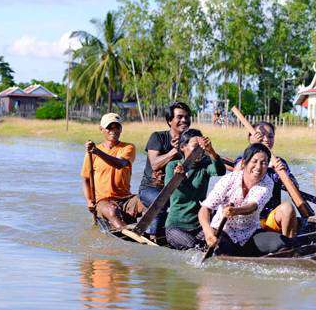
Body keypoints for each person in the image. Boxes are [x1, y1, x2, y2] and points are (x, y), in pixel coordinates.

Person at [198, 143, 289, 256]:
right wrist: (208, 233)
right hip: (223, 232)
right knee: (222, 250)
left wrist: (235, 211)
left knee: (283, 244)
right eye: (254, 161)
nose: (258, 167)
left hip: (250, 234)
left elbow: (253, 206)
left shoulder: (267, 182)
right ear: (244, 163)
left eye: (264, 163)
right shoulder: (229, 180)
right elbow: (205, 208)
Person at [163, 129, 227, 250]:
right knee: (194, 247)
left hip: (199, 225)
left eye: (201, 147)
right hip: (176, 226)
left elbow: (220, 171)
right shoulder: (173, 166)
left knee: (218, 240)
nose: (200, 151)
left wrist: (210, 150)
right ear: (183, 147)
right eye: (195, 147)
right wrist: (179, 177)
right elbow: (169, 190)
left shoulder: (205, 165)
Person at [235, 121, 300, 238]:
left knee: (288, 208)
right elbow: (234, 177)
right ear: (250, 137)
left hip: (270, 219)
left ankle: (288, 246)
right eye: (261, 135)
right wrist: (254, 146)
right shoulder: (244, 159)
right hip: (245, 218)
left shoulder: (279, 162)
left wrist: (284, 173)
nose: (266, 139)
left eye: (270, 136)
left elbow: (295, 189)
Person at [137, 102, 192, 238]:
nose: (184, 120)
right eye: (179, 117)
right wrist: (175, 151)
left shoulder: (191, 142)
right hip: (151, 188)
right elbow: (155, 164)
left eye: (187, 117)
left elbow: (208, 159)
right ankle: (155, 238)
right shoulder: (157, 137)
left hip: (177, 190)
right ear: (169, 121)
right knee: (161, 202)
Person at [80, 113, 144, 230]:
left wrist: (97, 152)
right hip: (103, 201)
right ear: (101, 129)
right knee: (111, 210)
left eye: (117, 127)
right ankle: (126, 232)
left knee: (149, 200)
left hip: (126, 198)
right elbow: (86, 179)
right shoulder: (92, 153)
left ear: (121, 129)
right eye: (109, 127)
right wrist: (89, 201)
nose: (113, 131)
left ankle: (153, 231)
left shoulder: (128, 147)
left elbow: (119, 164)